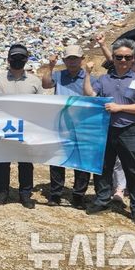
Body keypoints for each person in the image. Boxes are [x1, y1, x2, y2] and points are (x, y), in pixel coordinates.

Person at [84, 38, 135, 225]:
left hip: (128, 131)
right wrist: (88, 74)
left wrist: (119, 108)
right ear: (113, 58)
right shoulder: (104, 79)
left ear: (132, 58)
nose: (123, 61)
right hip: (105, 130)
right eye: (119, 57)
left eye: (127, 58)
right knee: (104, 167)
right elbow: (90, 95)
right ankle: (102, 199)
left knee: (133, 170)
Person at [41, 45, 94, 209]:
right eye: (69, 58)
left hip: (82, 124)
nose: (72, 62)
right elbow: (46, 85)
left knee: (82, 160)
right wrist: (50, 67)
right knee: (58, 158)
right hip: (61, 122)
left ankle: (79, 195)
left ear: (81, 59)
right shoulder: (58, 74)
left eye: (75, 58)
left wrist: (88, 75)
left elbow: (90, 95)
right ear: (64, 60)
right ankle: (55, 193)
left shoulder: (89, 76)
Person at [0, 44, 41, 209]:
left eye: (21, 57)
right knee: (2, 161)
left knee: (26, 162)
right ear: (8, 59)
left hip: (27, 127)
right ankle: (2, 192)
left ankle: (25, 194)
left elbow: (42, 104)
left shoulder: (35, 80)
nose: (18, 60)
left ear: (26, 59)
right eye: (14, 57)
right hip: (4, 126)